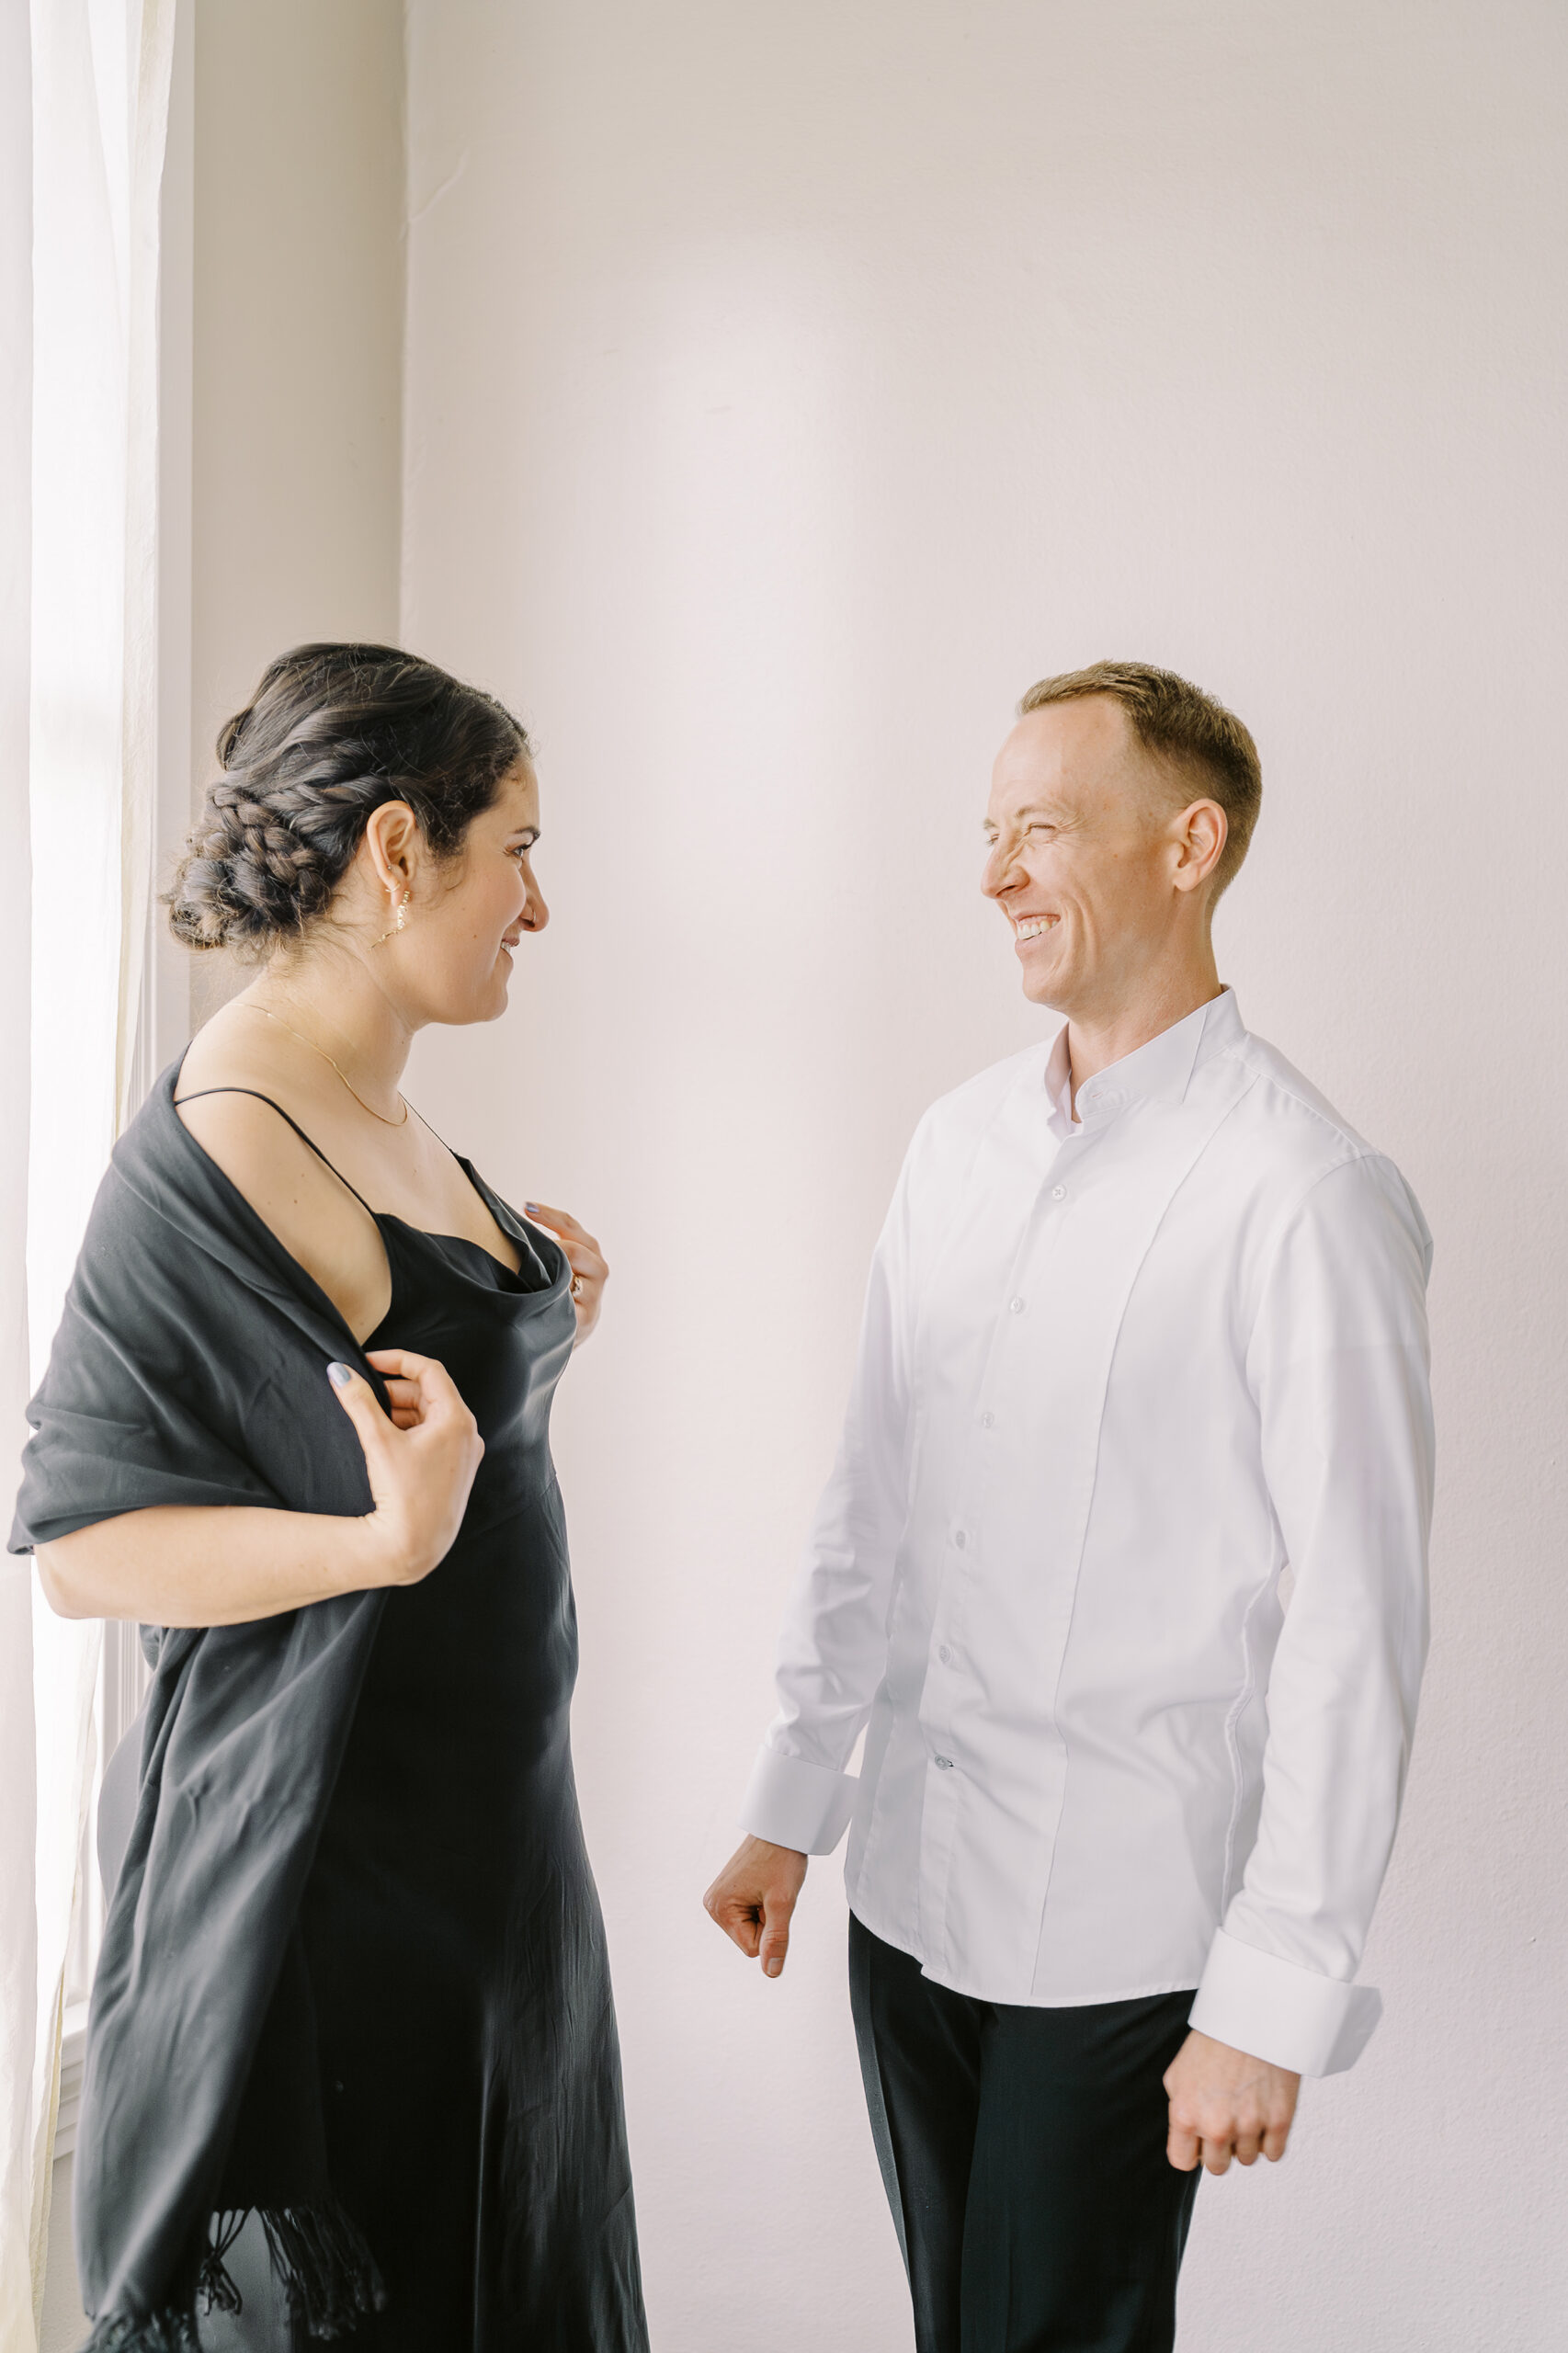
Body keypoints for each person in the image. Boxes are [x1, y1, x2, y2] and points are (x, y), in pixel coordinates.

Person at [705, 662, 1434, 2353]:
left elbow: (1356, 1619)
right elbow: (869, 1489)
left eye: (1039, 827)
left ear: (1190, 844)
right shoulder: (954, 1144)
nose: (992, 876)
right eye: (987, 832)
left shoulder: (1305, 1194)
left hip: (1117, 1941)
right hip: (904, 1903)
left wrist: (1273, 1993)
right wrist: (790, 1798)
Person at [17, 644, 649, 2352]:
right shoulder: (219, 1139)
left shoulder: (374, 1101)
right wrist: (385, 1542)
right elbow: (82, 1547)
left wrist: (538, 1319)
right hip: (327, 1889)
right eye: (515, 845)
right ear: (395, 851)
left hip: (489, 1870)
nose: (539, 901)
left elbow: (390, 1409)